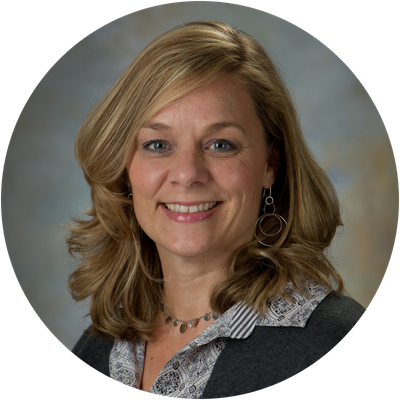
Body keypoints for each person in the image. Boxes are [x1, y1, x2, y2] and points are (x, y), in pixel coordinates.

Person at [68, 21, 365, 398]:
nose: (188, 174)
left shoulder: (329, 340)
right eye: (158, 144)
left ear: (270, 164)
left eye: (221, 144)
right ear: (125, 170)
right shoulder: (102, 344)